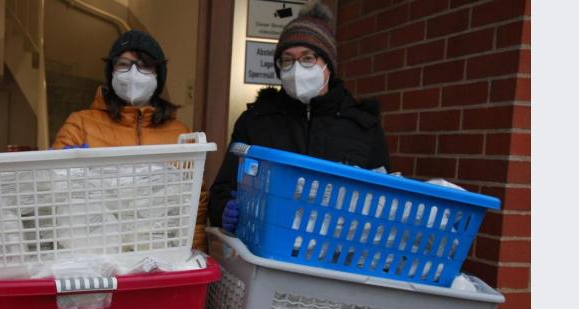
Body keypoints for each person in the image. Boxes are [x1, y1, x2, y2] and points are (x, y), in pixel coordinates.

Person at [209, 0, 390, 232]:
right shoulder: (255, 121)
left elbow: (385, 201)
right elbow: (223, 189)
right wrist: (225, 210)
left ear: (328, 65)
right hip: (266, 248)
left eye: (307, 58)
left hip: (338, 254)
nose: (296, 68)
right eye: (287, 59)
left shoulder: (363, 126)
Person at [54, 30, 208, 251]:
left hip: (161, 257)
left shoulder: (180, 135)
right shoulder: (80, 125)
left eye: (144, 66)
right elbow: (54, 195)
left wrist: (193, 257)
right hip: (97, 259)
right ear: (111, 71)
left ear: (158, 74)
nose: (133, 73)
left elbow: (196, 209)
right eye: (123, 64)